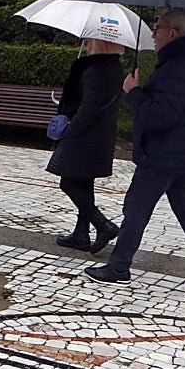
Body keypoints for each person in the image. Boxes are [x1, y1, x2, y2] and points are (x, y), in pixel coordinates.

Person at [84, 10, 185, 292]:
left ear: (173, 33)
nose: (153, 34)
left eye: (157, 28)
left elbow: (161, 116)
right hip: (181, 153)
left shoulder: (178, 67)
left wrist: (134, 92)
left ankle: (118, 267)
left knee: (136, 208)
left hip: (163, 154)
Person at [47, 38, 126, 254]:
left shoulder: (94, 70)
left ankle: (103, 225)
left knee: (69, 183)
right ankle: (81, 234)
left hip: (84, 136)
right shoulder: (116, 67)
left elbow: (88, 107)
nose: (86, 42)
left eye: (90, 40)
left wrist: (71, 131)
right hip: (102, 135)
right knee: (84, 183)